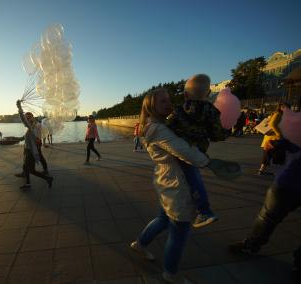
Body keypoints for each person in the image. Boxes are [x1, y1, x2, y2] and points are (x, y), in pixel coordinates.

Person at [129, 88, 212, 283]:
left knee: (164, 218)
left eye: (168, 100)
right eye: (163, 102)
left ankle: (140, 244)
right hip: (176, 183)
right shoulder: (159, 129)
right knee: (179, 230)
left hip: (166, 179)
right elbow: (184, 151)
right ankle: (170, 274)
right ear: (152, 107)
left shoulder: (155, 126)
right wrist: (209, 161)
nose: (169, 104)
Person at [229, 141, 301, 281]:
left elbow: (282, 145)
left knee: (267, 218)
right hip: (289, 182)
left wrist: (274, 145)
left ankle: (252, 244)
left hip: (289, 182)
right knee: (267, 217)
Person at [167, 74, 227, 228]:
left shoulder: (178, 110)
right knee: (193, 177)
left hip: (182, 150)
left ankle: (204, 211)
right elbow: (217, 135)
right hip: (199, 151)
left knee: (190, 179)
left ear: (185, 95)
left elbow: (168, 128)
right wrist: (226, 131)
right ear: (208, 94)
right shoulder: (212, 112)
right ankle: (199, 209)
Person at [15, 100, 53, 190]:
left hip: (30, 152)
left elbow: (23, 120)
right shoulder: (33, 127)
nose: (27, 119)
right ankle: (27, 183)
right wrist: (20, 138)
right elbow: (29, 137)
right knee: (26, 167)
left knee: (31, 170)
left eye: (29, 117)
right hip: (28, 150)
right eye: (27, 117)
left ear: (32, 118)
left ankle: (48, 178)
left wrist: (19, 108)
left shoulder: (32, 127)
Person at [258, 103, 290, 176]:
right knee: (280, 154)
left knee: (268, 154)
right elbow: (272, 124)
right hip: (274, 139)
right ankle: (282, 171)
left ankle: (262, 170)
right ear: (281, 108)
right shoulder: (278, 114)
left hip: (271, 139)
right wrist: (279, 134)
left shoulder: (275, 114)